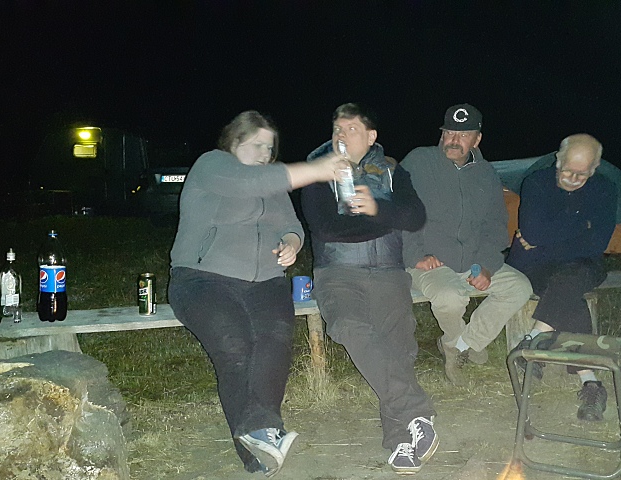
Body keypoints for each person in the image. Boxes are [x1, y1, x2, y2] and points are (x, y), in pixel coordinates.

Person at [168, 111, 346, 477]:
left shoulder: (270, 180)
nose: (266, 153)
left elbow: (291, 225)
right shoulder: (212, 165)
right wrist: (317, 169)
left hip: (266, 281)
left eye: (270, 147)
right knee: (235, 345)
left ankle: (261, 434)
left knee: (274, 342)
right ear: (234, 142)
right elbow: (249, 184)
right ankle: (258, 441)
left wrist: (291, 243)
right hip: (202, 280)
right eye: (257, 145)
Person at [301, 103, 438, 475]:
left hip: (390, 274)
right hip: (338, 273)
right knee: (348, 327)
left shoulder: (393, 171)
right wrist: (387, 219)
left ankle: (401, 441)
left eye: (351, 129)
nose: (342, 136)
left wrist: (378, 208)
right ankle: (417, 410)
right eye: (337, 129)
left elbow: (416, 217)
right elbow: (326, 228)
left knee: (398, 350)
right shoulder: (318, 173)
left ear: (371, 136)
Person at [401, 104, 534, 386]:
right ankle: (458, 345)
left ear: (477, 139)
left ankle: (462, 344)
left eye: (463, 135)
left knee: (519, 287)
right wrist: (415, 255)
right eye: (449, 132)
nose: (453, 140)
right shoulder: (419, 162)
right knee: (450, 296)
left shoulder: (486, 173)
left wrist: (486, 266)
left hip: (472, 260)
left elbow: (495, 225)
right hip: (431, 261)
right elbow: (398, 211)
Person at [505, 133, 617, 422]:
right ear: (558, 159)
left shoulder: (605, 189)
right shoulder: (537, 182)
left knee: (570, 279)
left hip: (582, 265)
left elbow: (597, 244)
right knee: (569, 293)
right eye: (568, 170)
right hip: (536, 265)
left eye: (582, 174)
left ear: (594, 168)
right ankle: (591, 383)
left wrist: (546, 239)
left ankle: (534, 339)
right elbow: (533, 233)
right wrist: (582, 223)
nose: (573, 179)